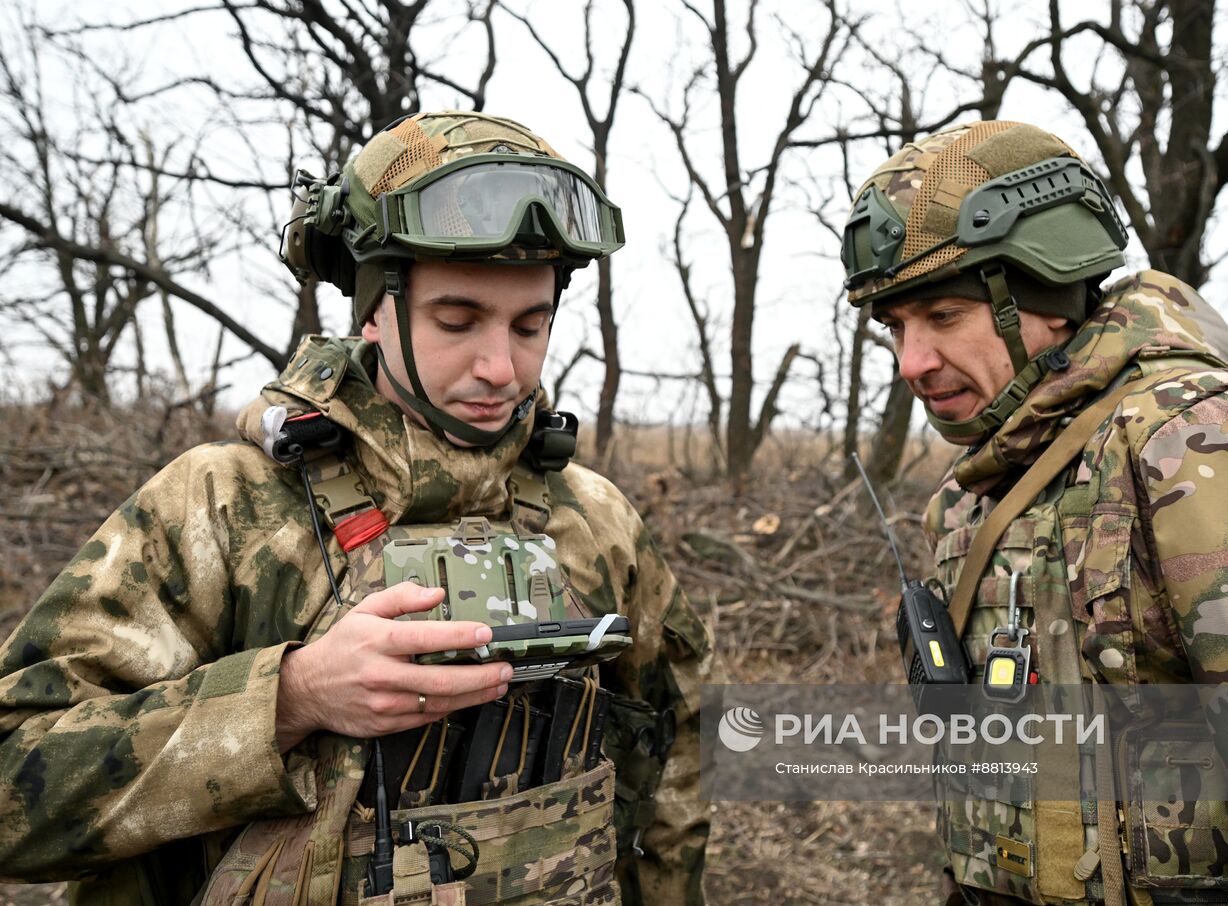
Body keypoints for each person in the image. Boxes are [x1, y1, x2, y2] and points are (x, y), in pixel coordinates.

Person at [0, 111, 713, 905]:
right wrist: (288, 699)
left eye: (530, 324)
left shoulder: (599, 521)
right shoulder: (223, 507)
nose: (499, 367)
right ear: (373, 310)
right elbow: (13, 790)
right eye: (457, 320)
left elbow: (668, 784)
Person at [840, 120, 1228, 905]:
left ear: (1042, 295)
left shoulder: (1206, 443)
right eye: (894, 328)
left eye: (942, 316)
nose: (912, 363)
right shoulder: (972, 498)